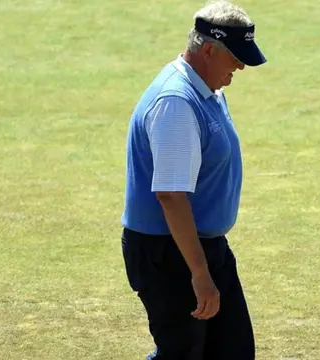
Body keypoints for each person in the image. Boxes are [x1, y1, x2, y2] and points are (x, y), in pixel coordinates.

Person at [120, 0, 267, 359]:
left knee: (232, 350)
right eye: (235, 56)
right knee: (182, 354)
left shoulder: (209, 89)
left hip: (201, 246)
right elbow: (170, 195)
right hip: (169, 253)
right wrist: (198, 273)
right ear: (207, 51)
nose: (242, 66)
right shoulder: (176, 103)